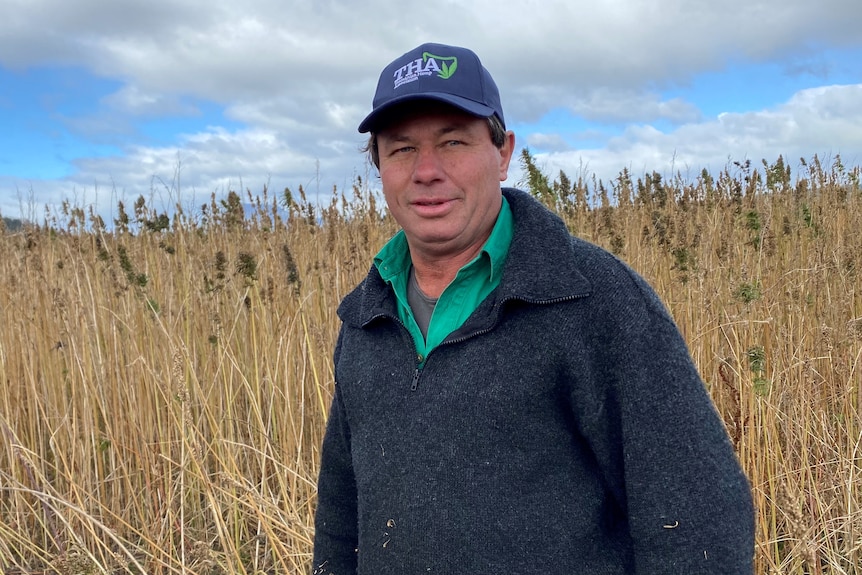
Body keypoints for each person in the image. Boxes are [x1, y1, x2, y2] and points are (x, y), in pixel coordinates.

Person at [312, 42, 755, 574]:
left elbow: (699, 520)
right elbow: (341, 512)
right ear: (379, 165)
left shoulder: (597, 301)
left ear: (502, 154)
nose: (426, 170)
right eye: (402, 148)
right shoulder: (366, 318)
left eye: (453, 142)